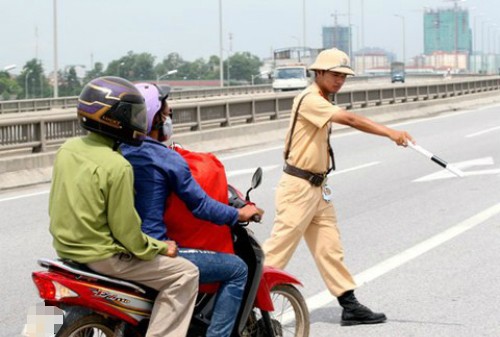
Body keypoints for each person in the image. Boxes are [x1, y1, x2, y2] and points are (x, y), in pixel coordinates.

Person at [262, 48, 415, 326]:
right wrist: (391, 133)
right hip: (298, 187)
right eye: (334, 75)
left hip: (318, 187)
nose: (339, 81)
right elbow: (351, 120)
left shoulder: (322, 97)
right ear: (318, 73)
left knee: (330, 248)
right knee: (278, 250)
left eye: (343, 76)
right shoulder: (310, 99)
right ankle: (245, 305)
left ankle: (349, 305)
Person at [49, 76, 199, 337]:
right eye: (131, 114)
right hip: (102, 258)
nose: (137, 121)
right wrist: (163, 247)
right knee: (186, 273)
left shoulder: (67, 149)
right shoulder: (117, 166)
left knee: (42, 315)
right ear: (113, 119)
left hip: (64, 251)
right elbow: (128, 235)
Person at [120, 82, 262, 337]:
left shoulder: (114, 152)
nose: (168, 119)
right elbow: (200, 206)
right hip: (151, 251)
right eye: (166, 114)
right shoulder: (166, 159)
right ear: (152, 118)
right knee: (238, 268)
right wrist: (238, 214)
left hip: (95, 250)